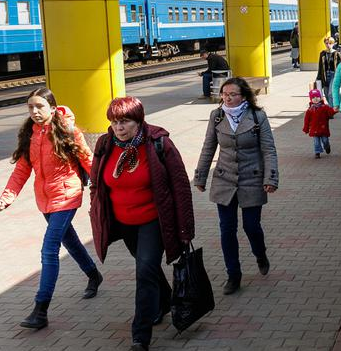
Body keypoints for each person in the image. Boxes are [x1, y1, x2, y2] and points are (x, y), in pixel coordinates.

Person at [89, 96, 195, 351]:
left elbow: (180, 187)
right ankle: (163, 302)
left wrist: (185, 229)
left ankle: (141, 335)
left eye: (124, 121)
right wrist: (96, 212)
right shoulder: (105, 144)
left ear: (138, 121)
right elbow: (96, 182)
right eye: (114, 122)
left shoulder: (159, 143)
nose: (118, 128)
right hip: (123, 222)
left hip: (153, 220)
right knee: (147, 267)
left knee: (144, 272)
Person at [0, 88, 102, 331]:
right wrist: (6, 197)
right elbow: (22, 169)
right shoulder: (29, 135)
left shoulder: (68, 131)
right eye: (31, 107)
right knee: (71, 242)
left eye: (40, 107)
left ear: (53, 108)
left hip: (67, 196)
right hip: (44, 199)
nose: (35, 112)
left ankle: (40, 309)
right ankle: (94, 274)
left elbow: (89, 161)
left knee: (49, 249)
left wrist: (107, 187)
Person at [194, 77, 279, 296]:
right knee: (227, 229)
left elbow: (269, 149)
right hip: (224, 180)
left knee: (251, 227)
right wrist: (200, 177)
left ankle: (260, 253)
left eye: (232, 94)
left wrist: (270, 178)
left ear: (244, 96)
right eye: (224, 94)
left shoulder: (258, 116)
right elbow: (208, 148)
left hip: (252, 179)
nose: (228, 98)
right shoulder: (217, 116)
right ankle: (233, 274)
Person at [303, 89, 336, 158]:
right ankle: (317, 152)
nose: (315, 99)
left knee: (325, 140)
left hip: (323, 128)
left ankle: (327, 146)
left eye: (317, 97)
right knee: (316, 142)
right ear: (311, 100)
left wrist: (334, 110)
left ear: (320, 97)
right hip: (314, 129)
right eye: (313, 98)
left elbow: (330, 112)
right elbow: (306, 120)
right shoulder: (310, 110)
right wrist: (306, 128)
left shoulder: (325, 107)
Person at [316, 36, 341, 105]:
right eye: (327, 43)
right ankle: (333, 106)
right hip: (325, 75)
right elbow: (320, 67)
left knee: (331, 93)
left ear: (333, 44)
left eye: (330, 43)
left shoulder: (337, 54)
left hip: (334, 75)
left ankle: (331, 111)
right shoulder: (322, 54)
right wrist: (318, 78)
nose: (328, 45)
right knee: (326, 94)